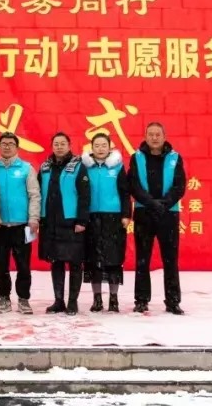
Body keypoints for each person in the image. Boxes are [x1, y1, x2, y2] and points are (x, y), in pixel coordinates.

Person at [128, 122, 187, 315]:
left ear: (164, 136)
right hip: (144, 213)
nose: (154, 138)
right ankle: (141, 300)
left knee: (170, 260)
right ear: (145, 136)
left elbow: (180, 186)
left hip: (168, 214)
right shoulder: (136, 157)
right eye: (151, 134)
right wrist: (151, 203)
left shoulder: (175, 157)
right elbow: (133, 185)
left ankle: (173, 301)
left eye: (158, 134)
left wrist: (164, 203)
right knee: (142, 259)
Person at [38, 132, 91, 316]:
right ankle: (58, 301)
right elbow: (38, 193)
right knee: (56, 262)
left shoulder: (78, 166)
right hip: (50, 221)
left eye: (62, 144)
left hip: (71, 221)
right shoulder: (45, 167)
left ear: (69, 146)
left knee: (75, 263)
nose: (59, 147)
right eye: (56, 144)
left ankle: (72, 302)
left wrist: (82, 220)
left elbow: (85, 195)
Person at [0, 132, 40, 315]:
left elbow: (34, 195)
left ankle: (24, 299)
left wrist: (33, 218)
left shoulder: (27, 168)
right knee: (1, 265)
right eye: (4, 143)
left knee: (23, 265)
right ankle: (4, 298)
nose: (7, 146)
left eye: (11, 143)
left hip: (23, 226)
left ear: (17, 147)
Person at [81, 132, 131, 313]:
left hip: (114, 217)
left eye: (104, 145)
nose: (100, 149)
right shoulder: (85, 167)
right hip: (91, 217)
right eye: (97, 145)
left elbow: (125, 193)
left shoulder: (117, 167)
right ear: (91, 148)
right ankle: (97, 299)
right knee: (93, 259)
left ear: (110, 147)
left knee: (114, 258)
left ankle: (114, 299)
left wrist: (126, 215)